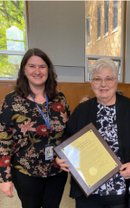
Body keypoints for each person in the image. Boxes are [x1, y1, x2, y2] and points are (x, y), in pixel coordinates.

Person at [56, 58, 130, 208]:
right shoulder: (82, 110)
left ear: (116, 81)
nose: (103, 84)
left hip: (121, 190)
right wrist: (61, 158)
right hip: (87, 191)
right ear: (91, 82)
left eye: (109, 78)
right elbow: (67, 138)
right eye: (97, 79)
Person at [0, 48, 70, 208]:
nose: (37, 71)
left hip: (57, 170)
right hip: (26, 171)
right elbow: (3, 141)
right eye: (32, 66)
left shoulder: (60, 98)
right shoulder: (11, 101)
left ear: (49, 70)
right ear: (24, 70)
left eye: (42, 66)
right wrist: (4, 178)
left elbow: (68, 132)